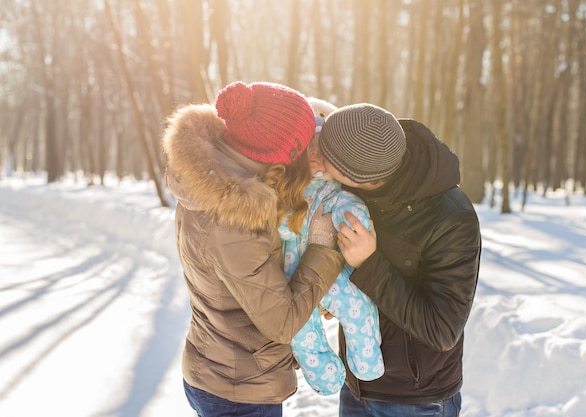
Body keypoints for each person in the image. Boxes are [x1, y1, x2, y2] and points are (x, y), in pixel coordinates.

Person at [161, 81, 345, 417]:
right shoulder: (236, 220)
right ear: (284, 155)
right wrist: (322, 248)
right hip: (239, 393)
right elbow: (283, 322)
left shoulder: (212, 172)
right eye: (305, 144)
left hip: (216, 368)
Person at [318, 103, 481, 417]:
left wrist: (370, 263)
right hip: (356, 382)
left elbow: (442, 329)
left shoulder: (451, 217)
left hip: (414, 401)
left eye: (325, 155)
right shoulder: (355, 185)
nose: (317, 160)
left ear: (358, 176)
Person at [279, 98, 384, 396]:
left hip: (335, 272)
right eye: (306, 147)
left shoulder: (334, 190)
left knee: (358, 307)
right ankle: (324, 377)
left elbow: (349, 208)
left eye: (320, 147)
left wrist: (353, 220)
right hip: (294, 275)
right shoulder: (287, 192)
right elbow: (279, 224)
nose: (313, 153)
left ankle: (367, 364)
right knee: (300, 329)